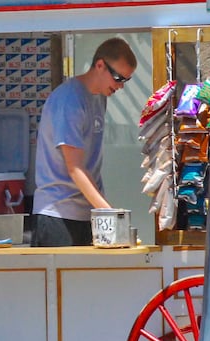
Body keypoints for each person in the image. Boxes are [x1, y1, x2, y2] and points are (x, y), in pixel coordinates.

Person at [31, 37, 137, 246]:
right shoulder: (70, 99)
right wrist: (111, 215)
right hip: (58, 214)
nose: (120, 86)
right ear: (99, 65)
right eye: (117, 77)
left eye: (126, 80)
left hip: (87, 213)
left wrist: (103, 213)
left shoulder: (99, 98)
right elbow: (75, 168)